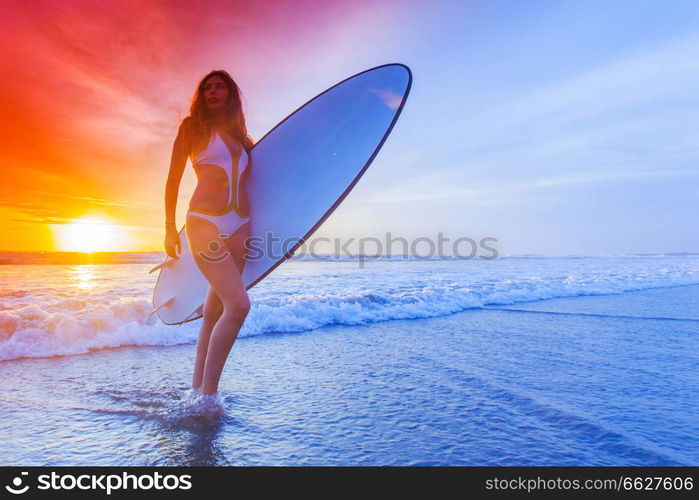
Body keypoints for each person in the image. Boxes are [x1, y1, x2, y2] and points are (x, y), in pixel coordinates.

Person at [163, 70, 254, 399]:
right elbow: (173, 179)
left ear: (231, 94)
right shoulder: (192, 128)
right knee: (239, 305)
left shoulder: (241, 137)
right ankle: (209, 397)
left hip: (240, 225)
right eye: (207, 88)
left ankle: (197, 390)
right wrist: (169, 228)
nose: (213, 92)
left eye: (220, 87)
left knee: (215, 310)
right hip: (204, 222)